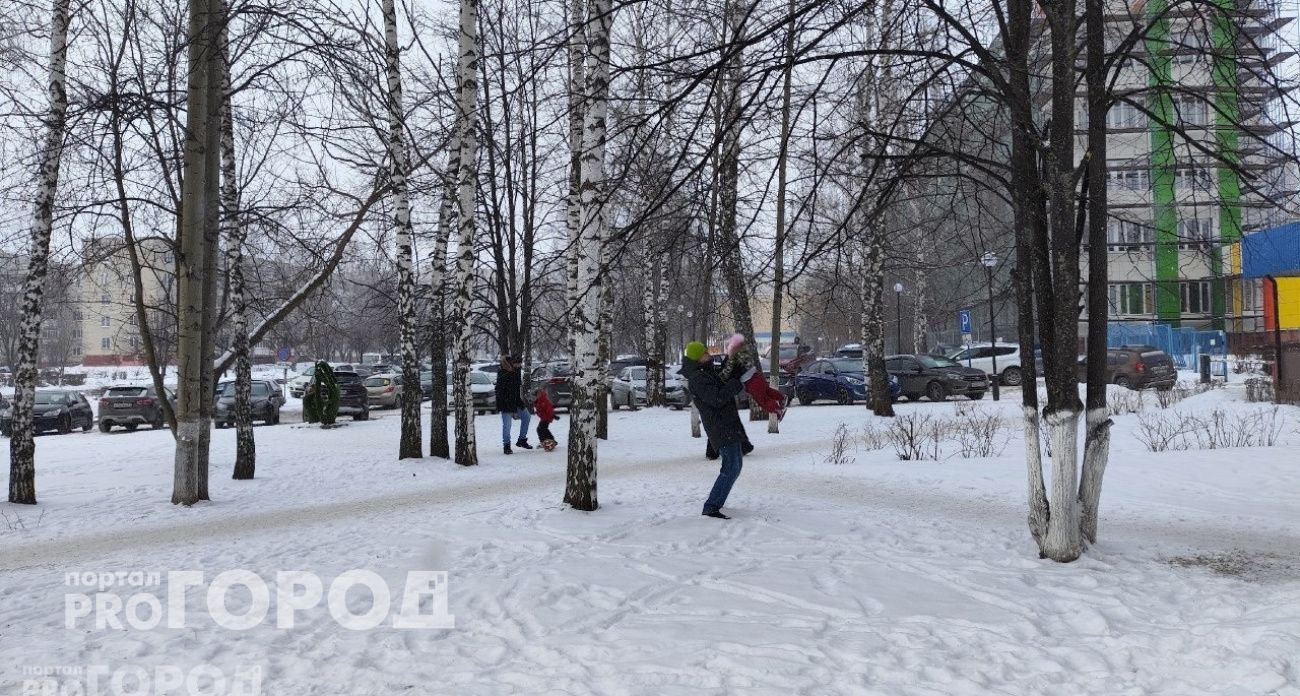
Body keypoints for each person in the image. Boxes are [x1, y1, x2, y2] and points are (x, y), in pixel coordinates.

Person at [680, 340, 753, 520]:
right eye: (705, 353)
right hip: (720, 427)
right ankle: (711, 506)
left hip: (728, 425)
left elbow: (721, 379)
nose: (709, 355)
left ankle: (715, 502)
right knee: (730, 467)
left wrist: (732, 363)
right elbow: (716, 398)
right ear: (698, 358)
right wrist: (735, 384)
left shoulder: (706, 372)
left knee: (735, 466)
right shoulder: (697, 378)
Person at [495, 355, 531, 454]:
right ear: (512, 363)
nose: (519, 366)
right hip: (505, 402)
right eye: (517, 364)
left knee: (527, 417)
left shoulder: (517, 370)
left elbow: (517, 387)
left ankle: (522, 440)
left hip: (516, 400)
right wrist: (504, 403)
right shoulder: (503, 372)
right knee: (507, 424)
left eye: (520, 364)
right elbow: (499, 389)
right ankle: (506, 445)